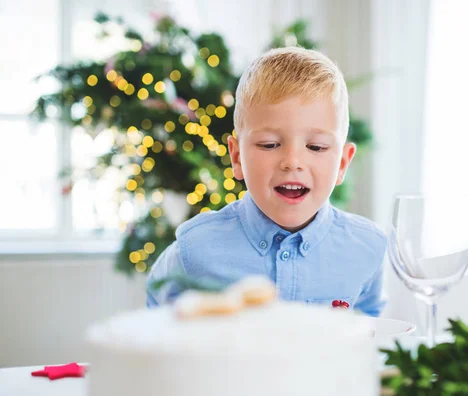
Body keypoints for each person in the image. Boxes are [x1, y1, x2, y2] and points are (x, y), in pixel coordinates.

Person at [146, 46, 387, 316]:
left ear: (342, 163)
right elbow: (154, 324)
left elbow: (371, 336)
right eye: (270, 144)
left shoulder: (368, 248)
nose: (292, 161)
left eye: (316, 147)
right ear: (237, 157)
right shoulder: (194, 250)